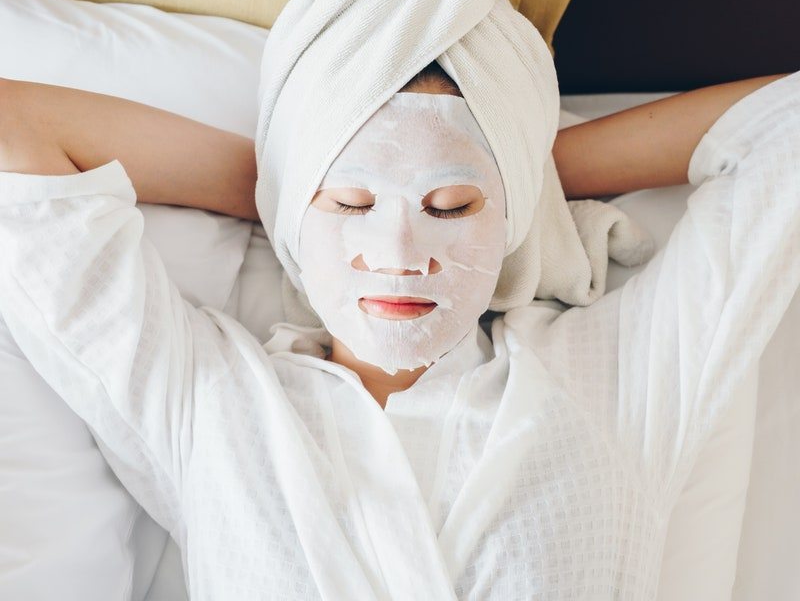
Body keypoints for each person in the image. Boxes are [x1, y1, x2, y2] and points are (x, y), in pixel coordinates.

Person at [0, 59, 797, 599]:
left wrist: (523, 177)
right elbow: (14, 122)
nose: (399, 253)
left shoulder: (621, 376)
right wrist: (288, 191)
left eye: (451, 208)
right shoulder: (207, 407)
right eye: (352, 206)